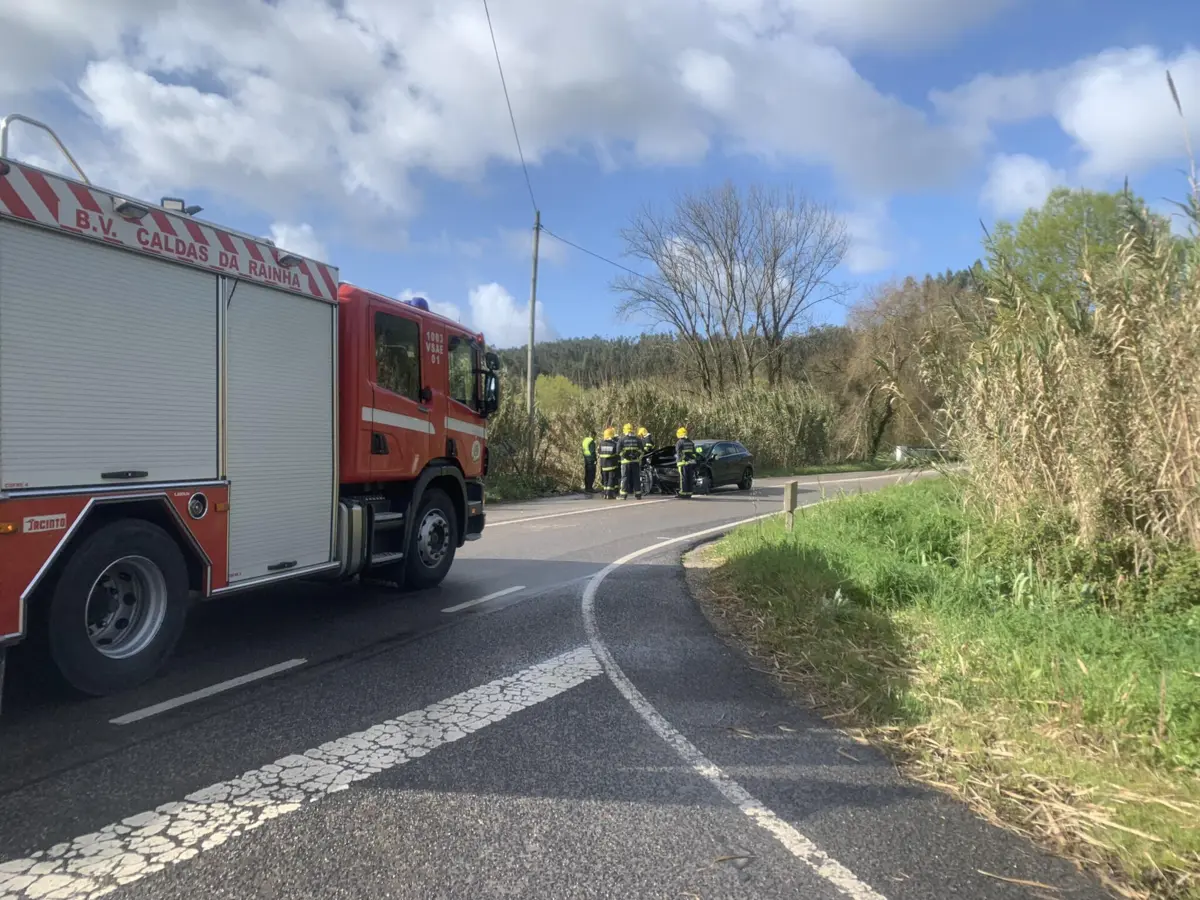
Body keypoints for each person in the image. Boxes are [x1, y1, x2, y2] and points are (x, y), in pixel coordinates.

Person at [617, 423, 644, 500]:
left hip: (625, 462)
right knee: (636, 478)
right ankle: (638, 495)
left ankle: (623, 495)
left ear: (624, 430)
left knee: (625, 478)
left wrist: (626, 456)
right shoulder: (638, 439)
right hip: (635, 462)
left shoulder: (622, 439)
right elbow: (642, 451)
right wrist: (636, 456)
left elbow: (619, 451)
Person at [597, 427, 620, 499]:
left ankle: (605, 494)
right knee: (611, 479)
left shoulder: (601, 443)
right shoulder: (614, 444)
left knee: (605, 479)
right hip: (612, 465)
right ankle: (609, 494)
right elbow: (617, 453)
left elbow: (599, 452)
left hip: (603, 465)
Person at [674, 426, 697, 499]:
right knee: (689, 478)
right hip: (690, 463)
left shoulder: (679, 442)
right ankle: (689, 493)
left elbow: (679, 453)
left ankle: (682, 493)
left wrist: (685, 459)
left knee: (683, 479)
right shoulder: (690, 442)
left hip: (682, 463)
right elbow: (694, 453)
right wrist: (691, 459)